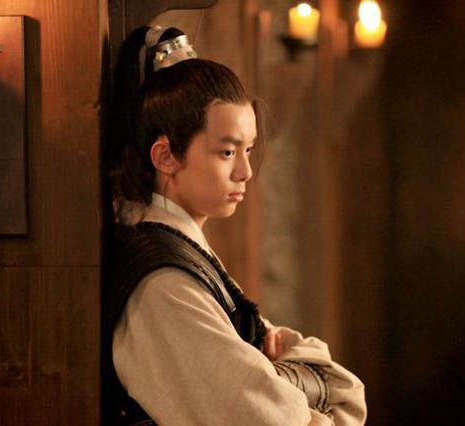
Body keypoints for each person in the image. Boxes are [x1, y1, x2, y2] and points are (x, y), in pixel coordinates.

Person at [104, 25, 367, 426]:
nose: (245, 171)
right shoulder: (163, 285)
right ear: (165, 156)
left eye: (248, 150)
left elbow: (346, 386)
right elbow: (272, 418)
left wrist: (279, 378)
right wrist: (298, 387)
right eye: (227, 152)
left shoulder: (184, 254)